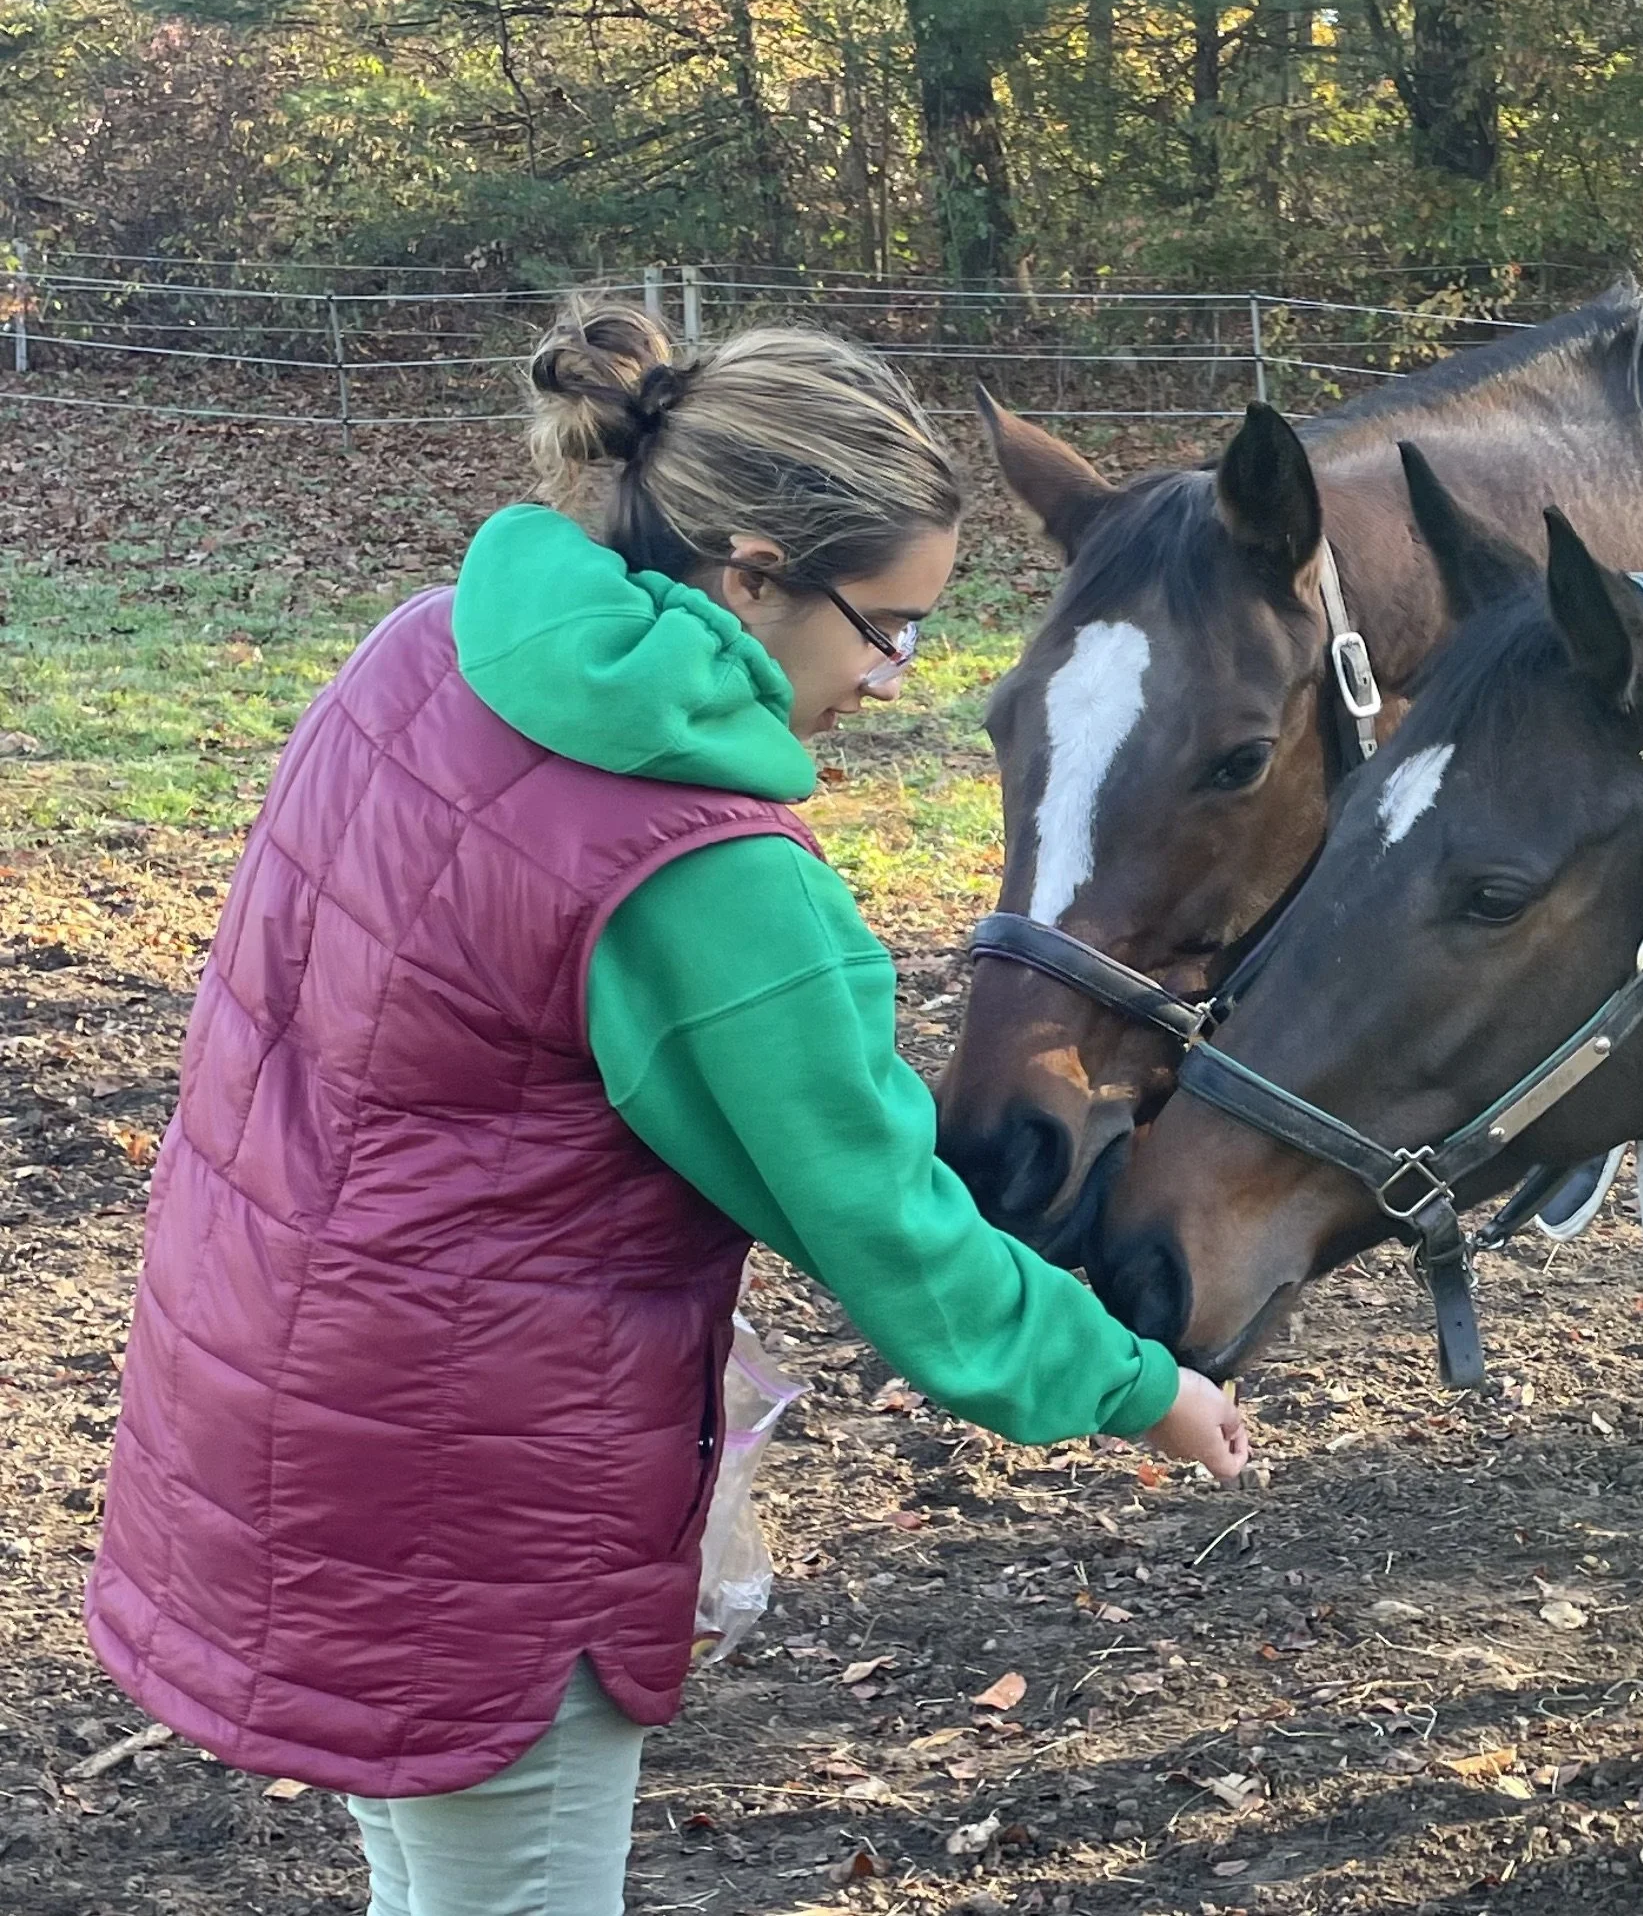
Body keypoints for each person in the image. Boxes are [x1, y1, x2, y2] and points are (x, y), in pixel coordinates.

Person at [84, 303, 1249, 1916]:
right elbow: (888, 1231)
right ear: (750, 571)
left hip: (272, 1367)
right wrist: (1138, 1386)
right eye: (887, 624)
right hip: (477, 1482)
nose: (896, 678)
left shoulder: (423, 646)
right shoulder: (706, 871)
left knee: (429, 1879)